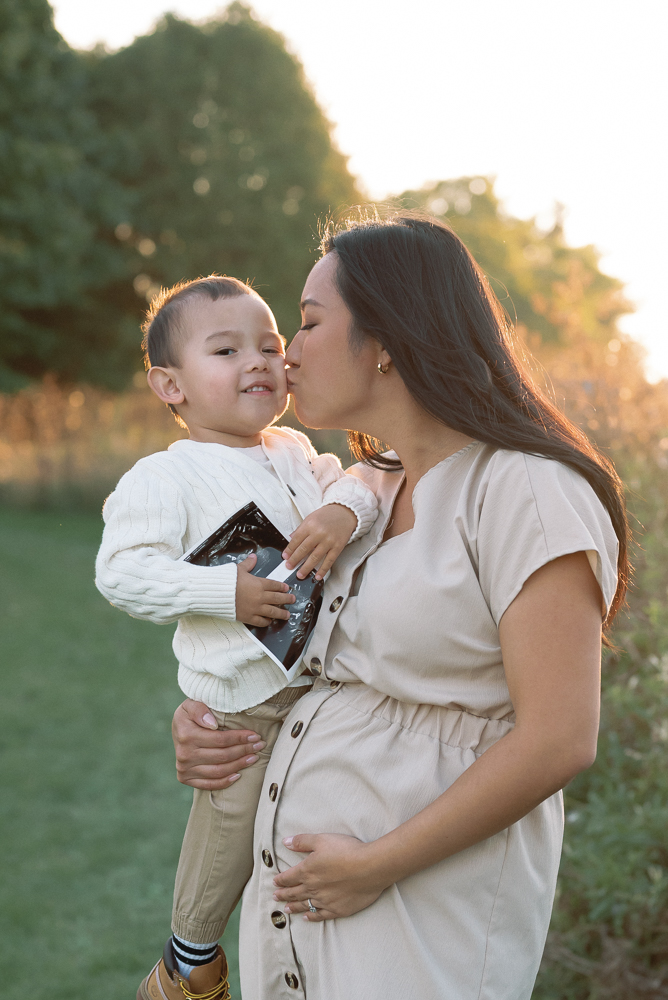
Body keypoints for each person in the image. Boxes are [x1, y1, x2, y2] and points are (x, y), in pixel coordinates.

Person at [172, 215, 628, 1000]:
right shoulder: (358, 493)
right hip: (300, 911)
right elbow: (296, 662)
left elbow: (560, 739)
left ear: (387, 337)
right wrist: (210, 719)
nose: (288, 350)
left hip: (416, 910)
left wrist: (377, 863)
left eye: (310, 323)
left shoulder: (526, 490)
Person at [94, 274, 378, 1000]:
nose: (257, 361)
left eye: (269, 344)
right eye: (226, 350)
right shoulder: (167, 476)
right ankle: (189, 957)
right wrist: (226, 592)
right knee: (231, 819)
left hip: (318, 690)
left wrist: (341, 511)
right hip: (245, 703)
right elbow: (122, 573)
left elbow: (359, 483)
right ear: (170, 386)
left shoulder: (292, 450)